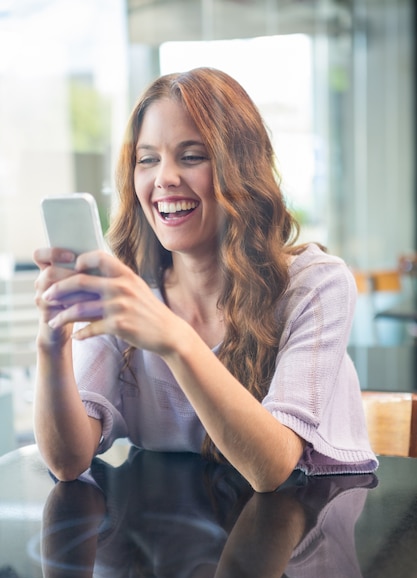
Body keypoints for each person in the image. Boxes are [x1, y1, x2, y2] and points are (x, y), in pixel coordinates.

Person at [33, 67, 378, 492]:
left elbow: (271, 469)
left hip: (301, 534)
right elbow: (68, 461)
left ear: (241, 170)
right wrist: (52, 344)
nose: (164, 178)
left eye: (191, 156)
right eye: (147, 160)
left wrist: (174, 339)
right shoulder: (129, 293)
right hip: (169, 538)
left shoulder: (316, 286)